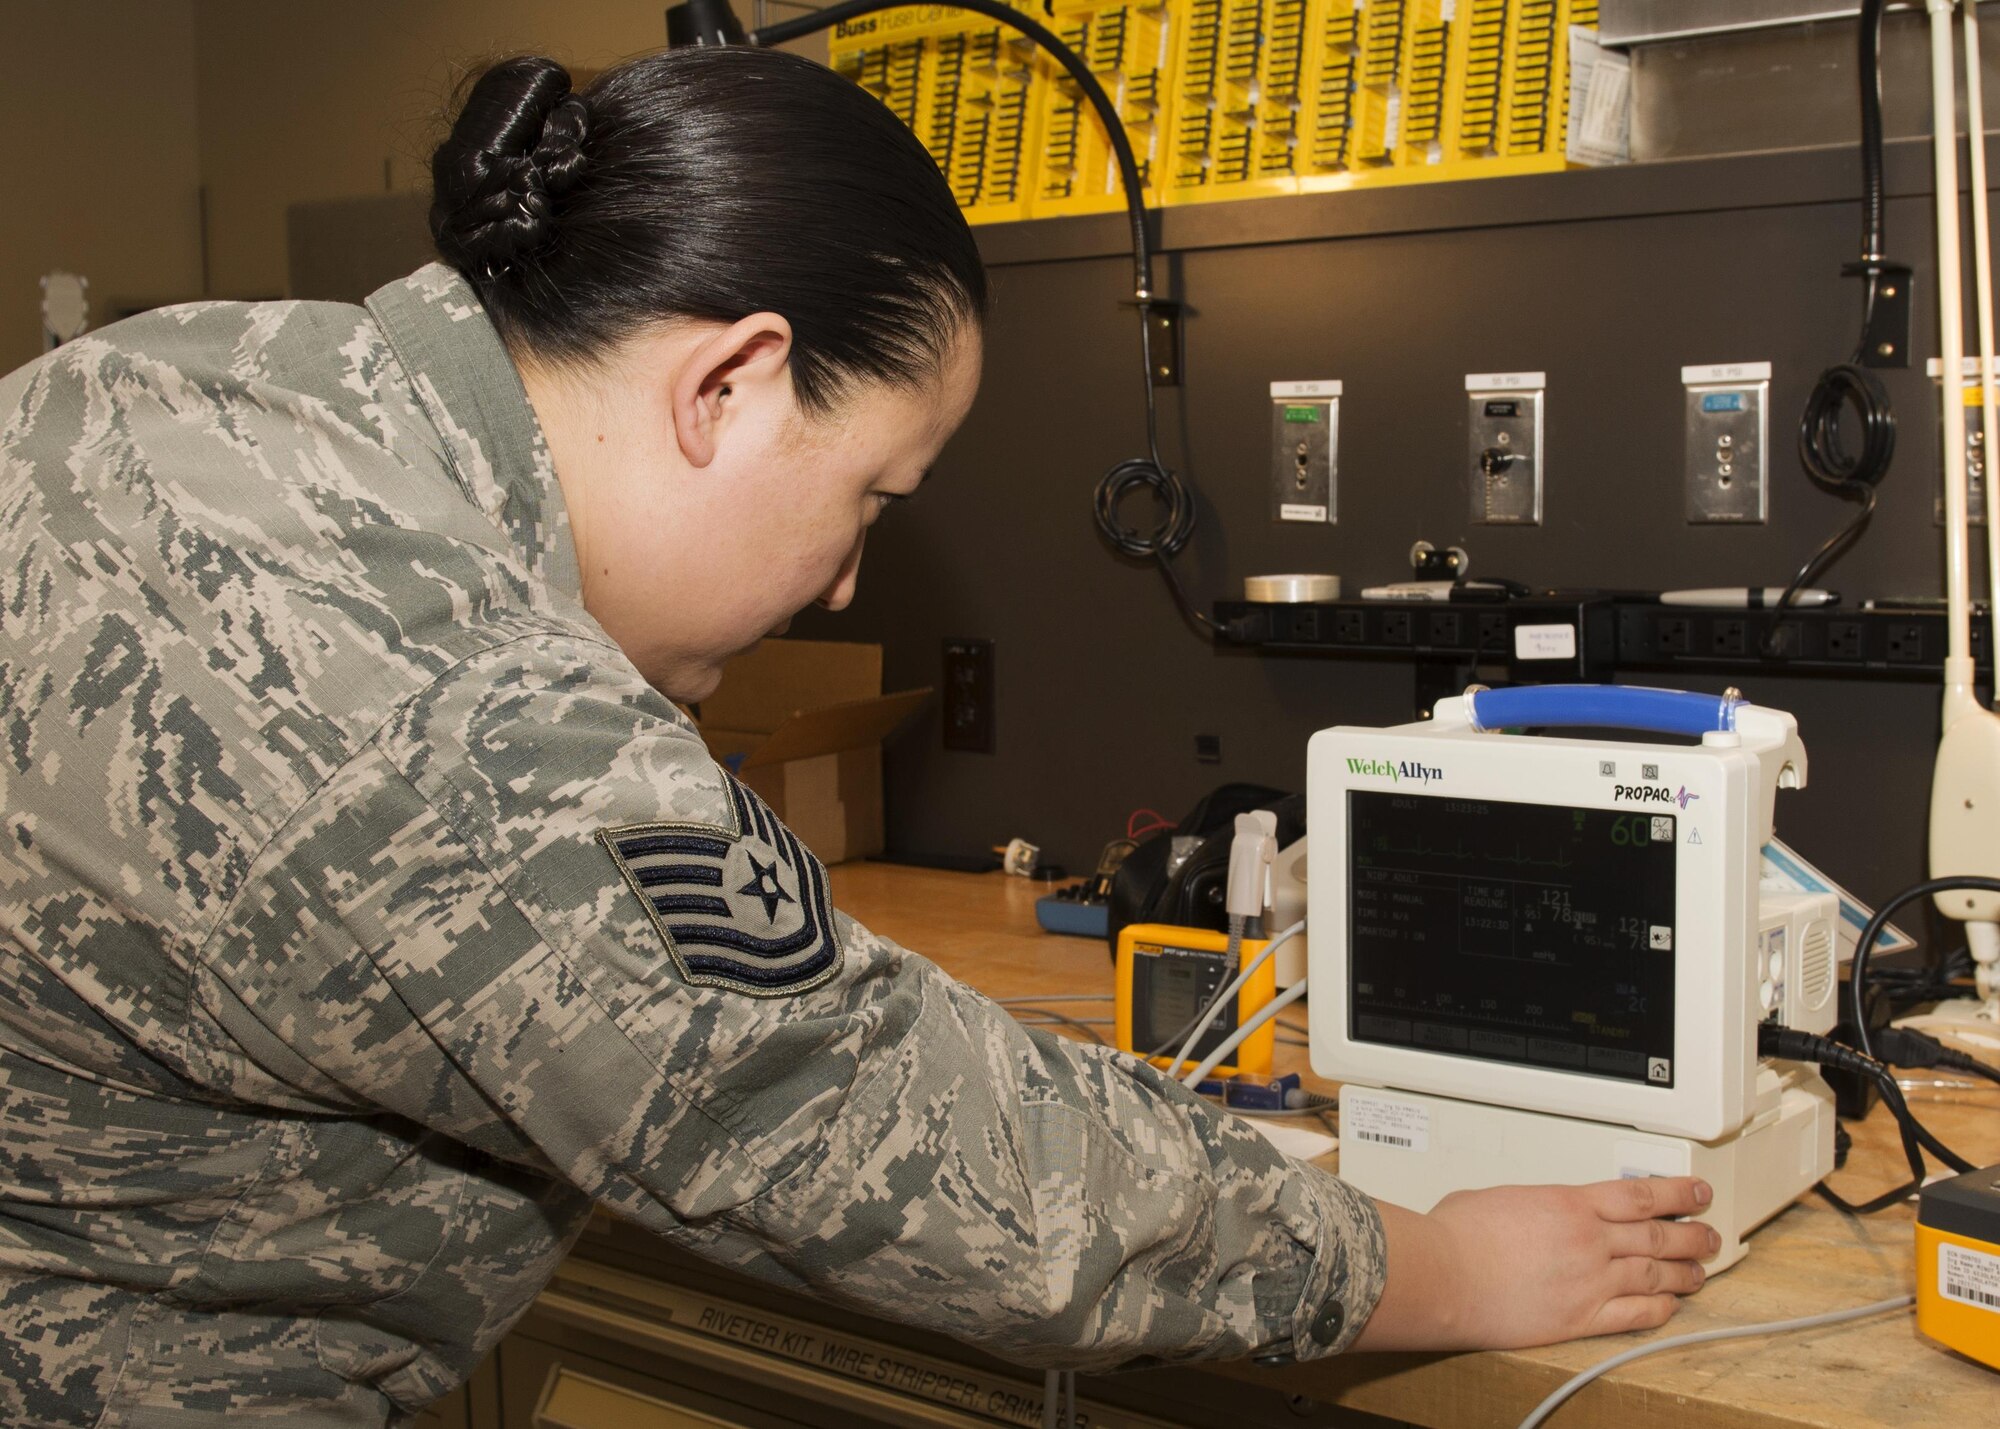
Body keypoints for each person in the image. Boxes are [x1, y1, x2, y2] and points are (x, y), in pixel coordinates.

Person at [0, 46, 1716, 1427]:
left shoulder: (187, 380)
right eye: (870, 495)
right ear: (731, 384)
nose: (840, 584)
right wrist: (1428, 1270)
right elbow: (866, 1121)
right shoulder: (452, 701)